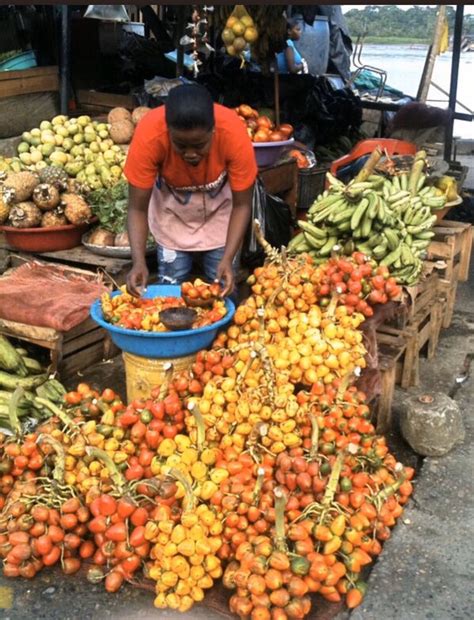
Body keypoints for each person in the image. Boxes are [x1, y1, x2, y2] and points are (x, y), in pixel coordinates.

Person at [124, 84, 257, 298]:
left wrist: (227, 259)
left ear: (213, 131)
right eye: (180, 145)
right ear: (168, 132)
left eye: (199, 145)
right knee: (169, 294)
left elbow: (242, 205)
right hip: (171, 217)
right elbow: (137, 209)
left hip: (221, 217)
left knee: (223, 293)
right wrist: (138, 262)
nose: (191, 154)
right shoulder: (150, 134)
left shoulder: (232, 131)